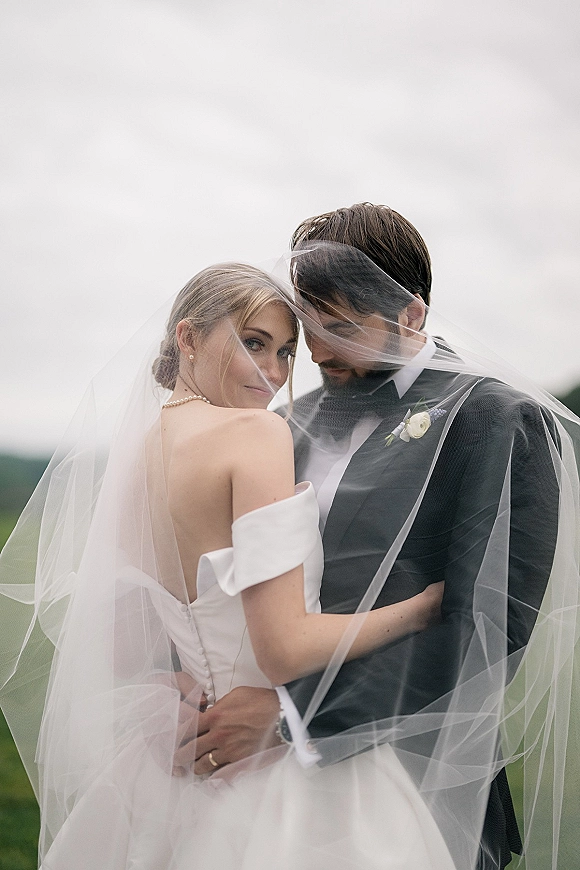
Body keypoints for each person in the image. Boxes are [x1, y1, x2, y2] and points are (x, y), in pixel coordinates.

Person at [0, 261, 455, 869]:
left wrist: (184, 681)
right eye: (254, 343)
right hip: (276, 774)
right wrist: (419, 609)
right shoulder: (254, 435)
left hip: (178, 760)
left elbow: (122, 645)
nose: (272, 373)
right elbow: (284, 651)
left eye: (288, 353)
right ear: (188, 337)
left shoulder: (137, 454)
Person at [179, 205, 580, 870]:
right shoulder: (288, 422)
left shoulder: (500, 420)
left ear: (412, 315)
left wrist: (289, 721)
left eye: (341, 328)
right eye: (308, 329)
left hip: (412, 784)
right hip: (249, 791)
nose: (319, 352)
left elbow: (488, 625)